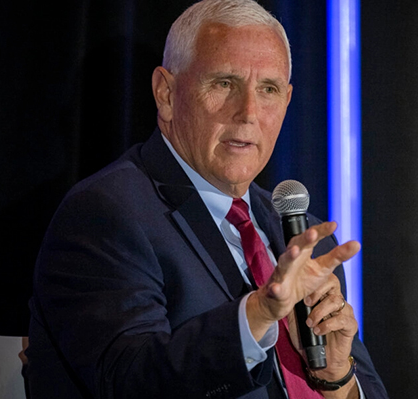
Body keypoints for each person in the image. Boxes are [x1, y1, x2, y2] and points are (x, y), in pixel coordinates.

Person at [25, 0, 388, 398]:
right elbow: (128, 381)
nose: (248, 112)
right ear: (166, 93)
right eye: (224, 83)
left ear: (286, 103)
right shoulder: (107, 214)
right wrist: (258, 314)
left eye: (267, 89)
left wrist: (335, 378)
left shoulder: (302, 238)